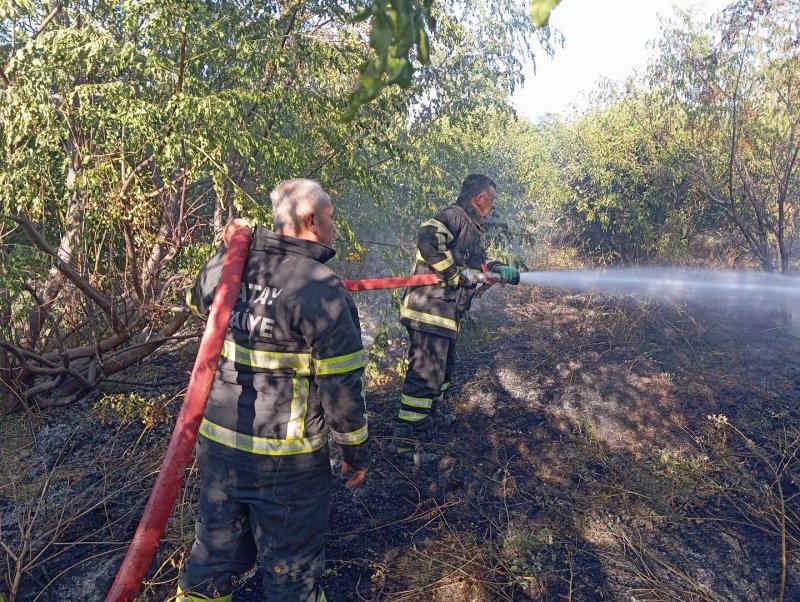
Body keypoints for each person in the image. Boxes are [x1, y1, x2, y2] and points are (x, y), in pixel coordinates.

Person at [178, 179, 370, 602]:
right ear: (310, 220)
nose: (334, 227)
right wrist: (354, 452)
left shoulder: (237, 263)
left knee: (212, 557)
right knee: (290, 572)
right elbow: (342, 389)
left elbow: (199, 300)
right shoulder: (323, 289)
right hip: (286, 464)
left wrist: (227, 250)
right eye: (331, 218)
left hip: (218, 450)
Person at [389, 174, 519, 461]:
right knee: (425, 375)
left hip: (445, 314)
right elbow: (427, 237)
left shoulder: (470, 229)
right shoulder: (454, 216)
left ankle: (424, 422)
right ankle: (404, 441)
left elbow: (477, 265)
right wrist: (452, 274)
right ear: (480, 198)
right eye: (492, 200)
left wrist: (499, 269)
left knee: (442, 373)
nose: (493, 206)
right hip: (429, 309)